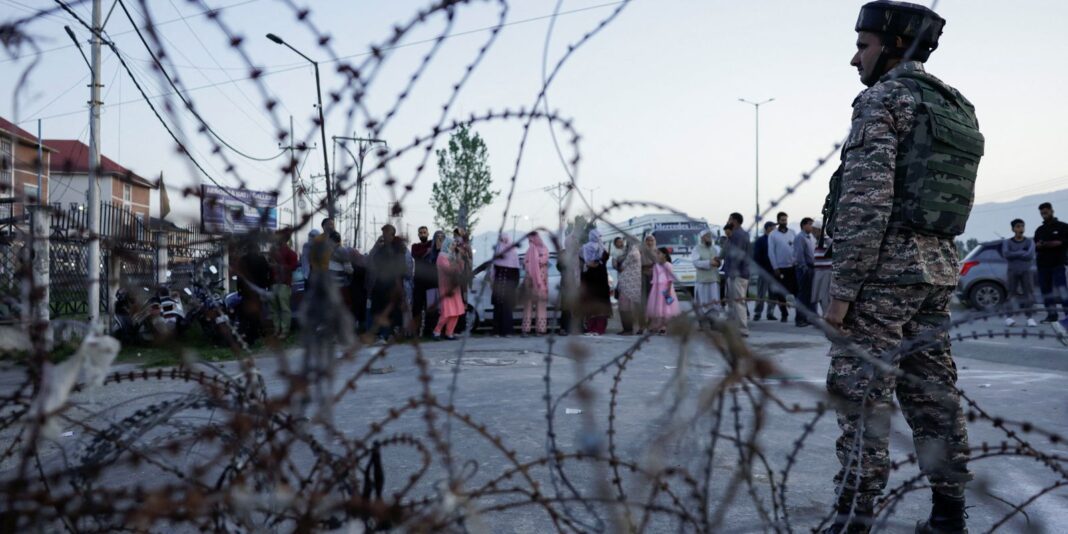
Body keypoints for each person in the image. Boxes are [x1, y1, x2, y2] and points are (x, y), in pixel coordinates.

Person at [820, 3, 981, 531]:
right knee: (934, 395)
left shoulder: (883, 99)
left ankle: (854, 516)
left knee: (861, 395)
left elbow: (866, 203)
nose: (855, 58)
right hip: (936, 268)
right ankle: (948, 514)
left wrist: (842, 292)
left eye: (862, 46)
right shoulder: (955, 104)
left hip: (883, 273)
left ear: (893, 46)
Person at [367, 224, 406, 341]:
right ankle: (379, 333)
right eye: (383, 233)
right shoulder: (381, 247)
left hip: (392, 284)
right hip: (380, 284)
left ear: (392, 235)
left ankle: (389, 334)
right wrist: (377, 247)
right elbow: (373, 261)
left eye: (386, 233)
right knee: (378, 308)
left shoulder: (398, 248)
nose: (384, 236)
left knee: (391, 310)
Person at [1000, 219, 1038, 328]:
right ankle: (1009, 317)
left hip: (1026, 271)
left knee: (1028, 293)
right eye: (1018, 226)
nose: (1021, 228)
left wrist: (1015, 253)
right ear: (1013, 229)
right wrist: (1021, 252)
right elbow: (1006, 254)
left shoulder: (1029, 242)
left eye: (1022, 226)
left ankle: (1029, 318)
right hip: (1012, 271)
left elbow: (1029, 255)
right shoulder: (1008, 242)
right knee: (1011, 293)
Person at [1034, 202, 1068, 323]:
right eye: (1042, 213)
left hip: (1058, 264)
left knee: (1062, 290)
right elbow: (1036, 245)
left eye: (1046, 212)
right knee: (1046, 291)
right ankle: (1052, 315)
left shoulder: (1063, 227)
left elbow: (1063, 242)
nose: (1044, 215)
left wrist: (1052, 243)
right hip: (1043, 265)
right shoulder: (1040, 230)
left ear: (1052, 211)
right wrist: (1043, 244)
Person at [236, 239, 271, 345]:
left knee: (246, 314)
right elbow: (267, 272)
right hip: (257, 290)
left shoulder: (243, 260)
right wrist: (265, 286)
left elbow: (239, 276)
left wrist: (239, 289)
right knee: (257, 313)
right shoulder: (261, 259)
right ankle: (254, 334)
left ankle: (246, 335)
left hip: (246, 290)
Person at [720, 213, 751, 336]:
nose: (727, 221)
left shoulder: (737, 235)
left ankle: (742, 329)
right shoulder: (740, 234)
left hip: (737, 274)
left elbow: (736, 255)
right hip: (739, 273)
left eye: (729, 219)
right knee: (733, 302)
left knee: (738, 302)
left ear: (734, 221)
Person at [580, 229, 612, 335]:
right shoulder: (603, 248)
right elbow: (600, 261)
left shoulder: (586, 247)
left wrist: (590, 264)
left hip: (591, 277)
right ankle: (598, 328)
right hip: (600, 278)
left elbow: (587, 262)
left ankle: (593, 328)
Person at [433, 237, 465, 340]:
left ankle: (449, 333)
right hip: (446, 287)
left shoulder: (453, 256)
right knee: (447, 312)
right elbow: (448, 270)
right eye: (452, 244)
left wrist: (459, 257)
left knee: (456, 311)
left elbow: (460, 269)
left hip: (455, 287)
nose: (453, 247)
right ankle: (436, 332)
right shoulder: (442, 257)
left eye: (454, 245)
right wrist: (456, 263)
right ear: (446, 245)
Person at [768, 211, 797, 322]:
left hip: (792, 267)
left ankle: (798, 314)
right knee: (780, 293)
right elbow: (771, 252)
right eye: (782, 220)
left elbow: (796, 248)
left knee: (794, 290)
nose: (784, 222)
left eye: (785, 220)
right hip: (780, 268)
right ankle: (784, 313)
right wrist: (775, 267)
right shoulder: (773, 235)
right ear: (778, 221)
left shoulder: (792, 233)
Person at [269, 230, 299, 338]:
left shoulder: (291, 253)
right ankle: (276, 329)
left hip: (284, 284)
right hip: (273, 283)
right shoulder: (273, 251)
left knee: (284, 308)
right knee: (274, 308)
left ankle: (284, 331)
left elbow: (294, 267)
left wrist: (279, 266)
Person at [490, 234, 521, 337]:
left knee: (507, 309)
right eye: (502, 240)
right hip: (499, 285)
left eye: (505, 241)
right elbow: (493, 271)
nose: (503, 243)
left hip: (508, 286)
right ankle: (497, 331)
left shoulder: (513, 253)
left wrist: (513, 286)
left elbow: (516, 273)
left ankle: (507, 331)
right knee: (498, 308)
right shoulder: (498, 253)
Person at [522, 231, 550, 336]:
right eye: (529, 240)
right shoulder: (530, 251)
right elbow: (525, 263)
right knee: (529, 306)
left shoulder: (543, 250)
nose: (530, 242)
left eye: (531, 240)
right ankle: (527, 330)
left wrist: (533, 259)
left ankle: (539, 330)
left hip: (539, 283)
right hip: (531, 283)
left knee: (539, 306)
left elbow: (542, 261)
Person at [646, 247, 680, 334]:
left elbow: (670, 278)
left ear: (664, 255)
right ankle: (656, 325)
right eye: (656, 253)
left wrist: (668, 289)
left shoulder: (668, 265)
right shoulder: (656, 265)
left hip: (665, 288)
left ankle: (664, 326)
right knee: (657, 307)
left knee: (665, 307)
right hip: (657, 288)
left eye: (659, 253)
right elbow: (654, 278)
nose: (657, 255)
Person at [613, 236, 643, 335]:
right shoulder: (633, 251)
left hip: (628, 285)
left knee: (625, 307)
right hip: (632, 284)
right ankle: (629, 328)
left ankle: (628, 329)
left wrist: (618, 265)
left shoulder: (632, 253)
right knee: (629, 307)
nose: (625, 244)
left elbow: (622, 266)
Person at [690, 228, 721, 323]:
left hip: (713, 279)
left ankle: (714, 321)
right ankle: (702, 322)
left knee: (714, 301)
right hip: (702, 281)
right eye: (707, 236)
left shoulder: (715, 249)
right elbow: (696, 263)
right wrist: (709, 262)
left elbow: (719, 262)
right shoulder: (696, 249)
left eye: (710, 236)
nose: (709, 238)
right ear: (702, 238)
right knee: (703, 302)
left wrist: (718, 263)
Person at [793, 217, 816, 327]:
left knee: (810, 295)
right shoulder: (800, 237)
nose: (812, 226)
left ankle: (809, 318)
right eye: (810, 224)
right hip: (804, 269)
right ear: (803, 225)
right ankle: (800, 319)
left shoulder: (811, 237)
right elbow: (799, 255)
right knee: (803, 295)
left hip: (812, 268)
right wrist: (804, 268)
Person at [411, 226, 434, 336]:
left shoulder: (432, 244)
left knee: (430, 306)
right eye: (421, 233)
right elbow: (416, 255)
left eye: (424, 232)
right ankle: (415, 332)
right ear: (418, 235)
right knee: (417, 307)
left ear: (428, 233)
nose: (423, 234)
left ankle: (428, 331)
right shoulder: (415, 246)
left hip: (430, 280)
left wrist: (427, 251)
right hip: (419, 280)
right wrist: (427, 251)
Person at [752, 221, 777, 321]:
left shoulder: (775, 240)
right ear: (768, 228)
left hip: (774, 271)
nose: (775, 229)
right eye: (773, 228)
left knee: (773, 293)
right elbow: (756, 256)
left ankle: (770, 312)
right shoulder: (761, 240)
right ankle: (758, 313)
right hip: (764, 271)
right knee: (761, 293)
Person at [639, 234, 658, 334]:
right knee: (643, 301)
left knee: (653, 300)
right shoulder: (641, 251)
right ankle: (642, 326)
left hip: (654, 277)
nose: (649, 242)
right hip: (642, 276)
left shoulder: (657, 251)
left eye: (651, 240)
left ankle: (651, 325)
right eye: (647, 240)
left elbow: (659, 262)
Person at [812, 227, 833, 317]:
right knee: (819, 296)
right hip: (818, 271)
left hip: (826, 272)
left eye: (814, 231)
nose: (812, 233)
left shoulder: (828, 240)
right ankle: (825, 314)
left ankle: (826, 315)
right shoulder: (816, 241)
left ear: (819, 230)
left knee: (825, 296)